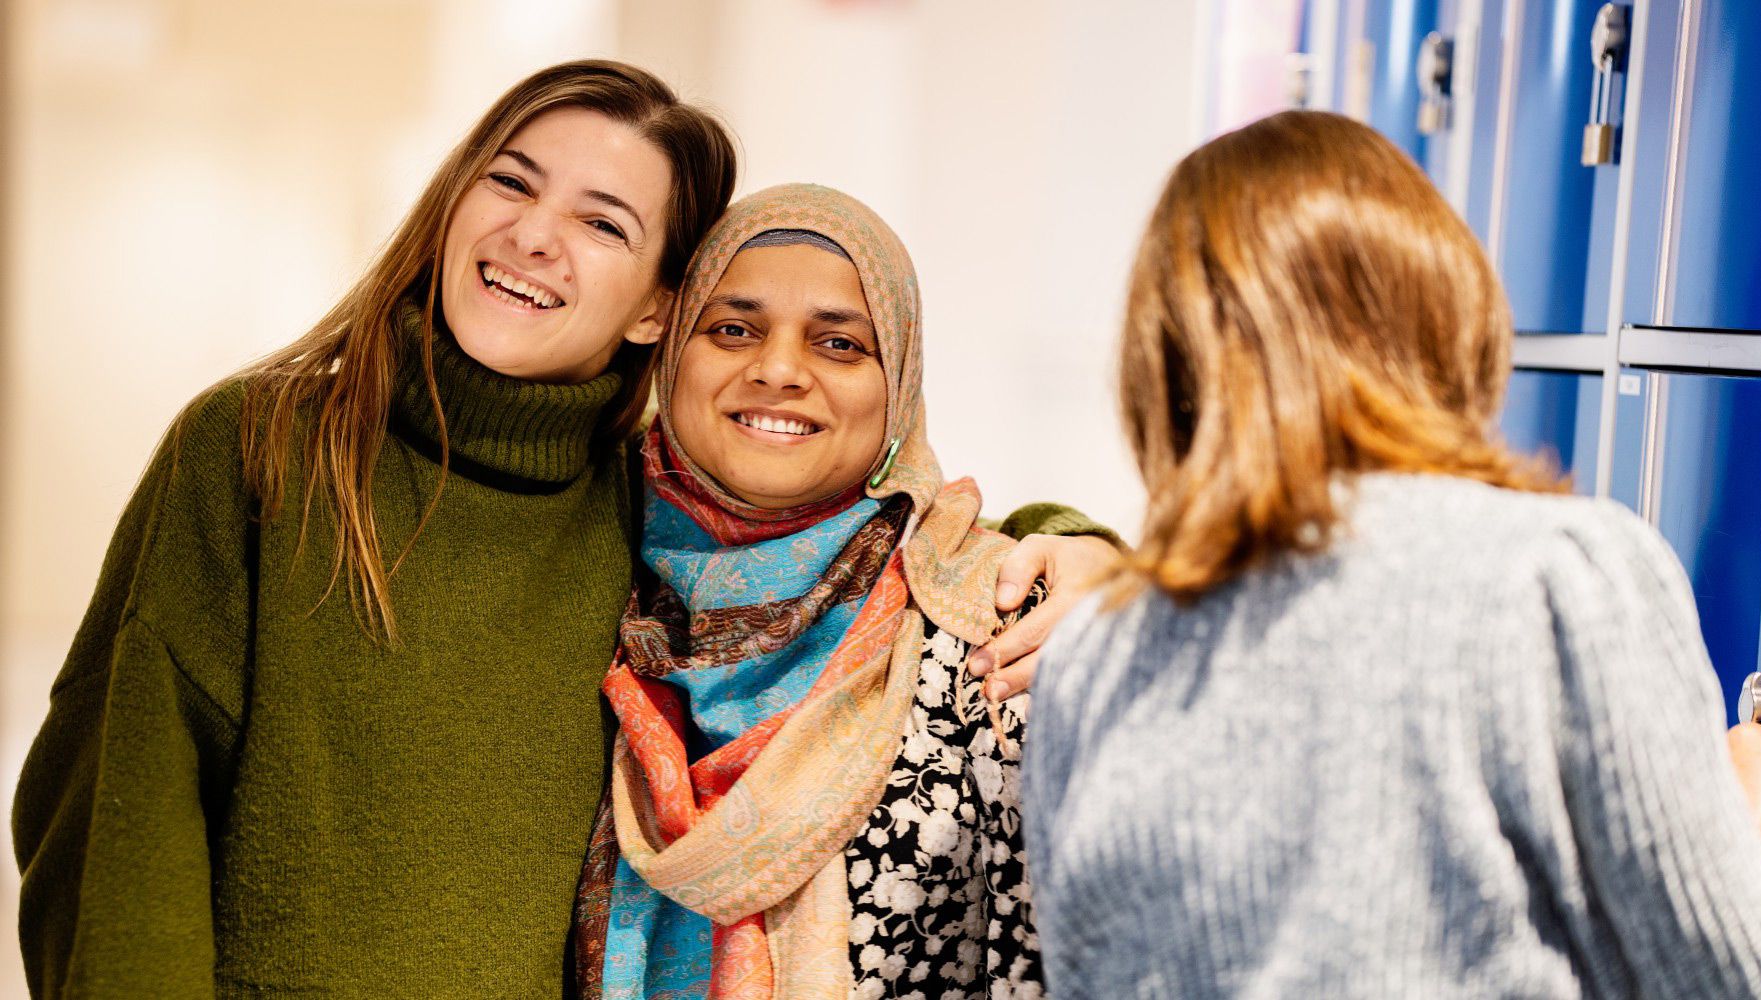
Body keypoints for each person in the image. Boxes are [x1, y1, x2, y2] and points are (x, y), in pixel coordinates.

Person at [13, 62, 1109, 999]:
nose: (534, 236)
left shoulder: (637, 510)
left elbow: (891, 532)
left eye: (602, 222)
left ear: (651, 308)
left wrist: (1094, 549)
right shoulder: (263, 446)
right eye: (511, 182)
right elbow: (113, 833)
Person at [1022, 110, 1761, 999]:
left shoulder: (1092, 657)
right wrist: (1760, 851)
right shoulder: (1553, 577)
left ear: (1161, 359)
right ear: (1440, 304)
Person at [570, 184, 1046, 1000]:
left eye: (840, 345)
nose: (779, 370)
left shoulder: (995, 623)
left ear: (898, 383)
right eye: (732, 330)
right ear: (671, 348)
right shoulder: (583, 570)